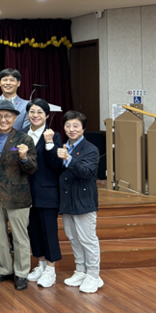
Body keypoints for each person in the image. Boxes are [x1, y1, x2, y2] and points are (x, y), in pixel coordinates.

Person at [0, 99, 37, 291]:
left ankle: (22, 272)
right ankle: (5, 268)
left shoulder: (24, 139)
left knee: (19, 237)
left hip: (18, 196)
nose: (3, 119)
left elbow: (32, 168)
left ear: (15, 118)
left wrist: (24, 158)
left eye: (8, 116)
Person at [57, 111, 103, 294]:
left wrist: (68, 158)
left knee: (88, 239)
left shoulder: (90, 149)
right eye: (68, 125)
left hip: (84, 201)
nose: (71, 129)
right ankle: (80, 270)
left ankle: (93, 275)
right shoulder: (62, 146)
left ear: (83, 128)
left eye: (75, 125)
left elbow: (85, 172)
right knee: (74, 238)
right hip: (67, 200)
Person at [24, 99, 64, 288]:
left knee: (49, 232)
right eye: (32, 111)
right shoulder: (22, 135)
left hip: (47, 192)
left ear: (47, 116)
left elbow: (56, 165)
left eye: (40, 112)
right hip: (26, 192)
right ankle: (40, 264)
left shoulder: (54, 136)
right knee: (33, 231)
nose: (35, 115)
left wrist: (49, 144)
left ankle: (51, 269)